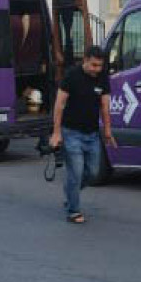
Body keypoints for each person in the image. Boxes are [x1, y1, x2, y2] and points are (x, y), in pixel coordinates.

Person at [49, 46, 117, 224]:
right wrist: (56, 133)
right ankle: (74, 211)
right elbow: (59, 104)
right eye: (93, 65)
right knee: (76, 172)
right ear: (85, 60)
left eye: (100, 66)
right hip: (71, 133)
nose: (97, 69)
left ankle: (71, 193)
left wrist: (108, 131)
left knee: (93, 172)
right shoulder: (71, 76)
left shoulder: (102, 77)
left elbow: (105, 106)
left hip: (92, 134)